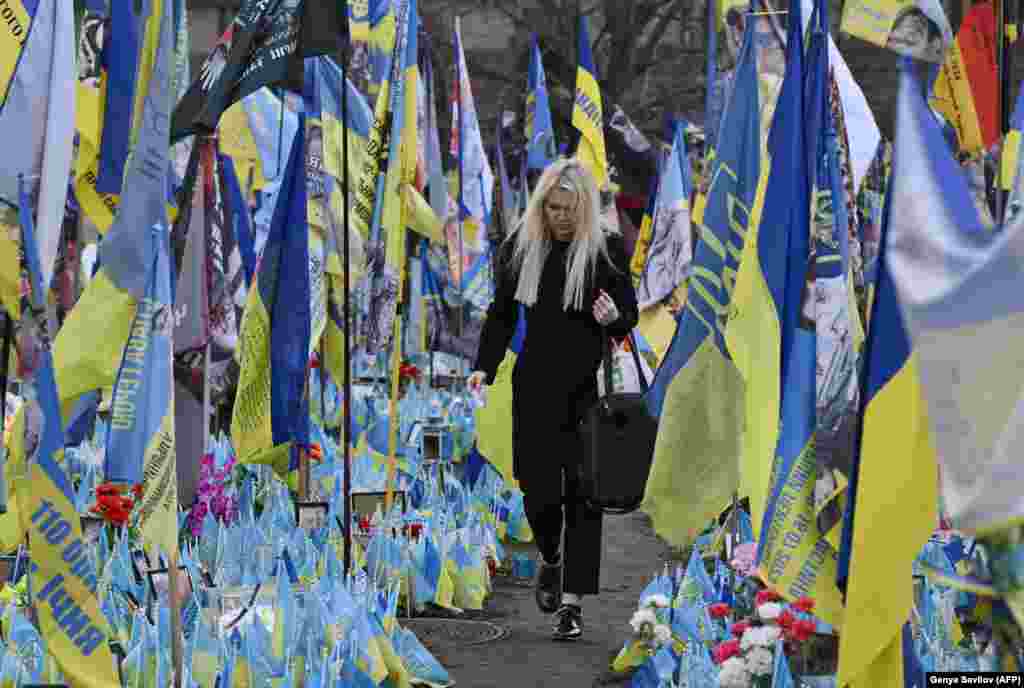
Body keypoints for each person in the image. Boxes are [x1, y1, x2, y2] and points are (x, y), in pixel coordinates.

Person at [467, 158, 639, 641]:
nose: (561, 216)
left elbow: (628, 314)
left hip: (586, 393)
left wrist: (613, 317)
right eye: (553, 207)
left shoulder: (604, 252)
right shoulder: (523, 248)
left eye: (569, 208)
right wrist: (484, 366)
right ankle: (551, 556)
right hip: (534, 387)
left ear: (584, 208)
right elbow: (500, 315)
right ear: (542, 207)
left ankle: (572, 604)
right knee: (539, 492)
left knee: (584, 497)